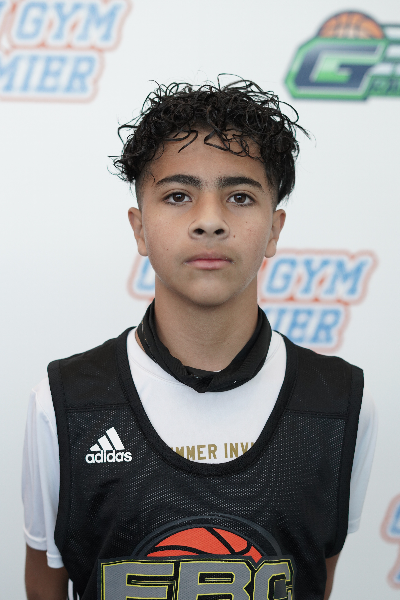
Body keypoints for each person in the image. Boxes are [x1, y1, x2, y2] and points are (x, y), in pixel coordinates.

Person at [22, 79, 377, 600]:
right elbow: (44, 586)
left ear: (274, 229)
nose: (209, 221)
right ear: (140, 229)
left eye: (239, 196)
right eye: (178, 196)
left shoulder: (341, 402)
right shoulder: (63, 402)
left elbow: (314, 578)